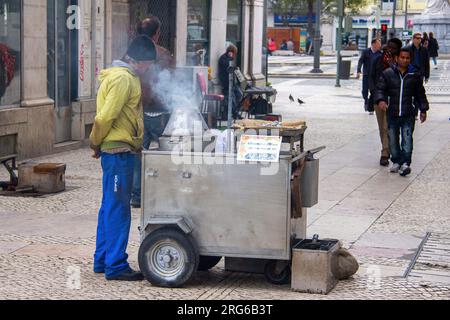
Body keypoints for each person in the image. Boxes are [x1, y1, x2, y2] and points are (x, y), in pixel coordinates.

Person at [90, 35, 156, 281]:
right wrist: (95, 142)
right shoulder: (122, 79)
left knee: (109, 205)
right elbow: (105, 117)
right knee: (118, 208)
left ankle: (102, 258)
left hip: (117, 151)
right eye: (149, 63)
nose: (149, 68)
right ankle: (115, 264)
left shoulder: (121, 76)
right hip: (119, 152)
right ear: (139, 61)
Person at [131, 16, 175, 209]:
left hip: (138, 110)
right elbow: (173, 83)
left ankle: (137, 195)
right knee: (167, 154)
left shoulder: (129, 55)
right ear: (157, 33)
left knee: (136, 154)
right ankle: (166, 194)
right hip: (159, 111)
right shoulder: (164, 54)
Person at [374, 47, 429, 177]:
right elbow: (379, 89)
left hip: (408, 113)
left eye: (407, 58)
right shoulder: (388, 73)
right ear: (397, 58)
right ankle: (396, 161)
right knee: (392, 139)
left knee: (407, 139)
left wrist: (423, 109)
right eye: (402, 57)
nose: (405, 60)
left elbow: (420, 94)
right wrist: (381, 100)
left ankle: (406, 163)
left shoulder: (414, 75)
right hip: (392, 113)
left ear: (410, 59)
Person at [369, 38, 403, 167]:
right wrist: (374, 93)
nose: (390, 49)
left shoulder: (401, 62)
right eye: (389, 46)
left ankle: (386, 152)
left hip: (394, 99)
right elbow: (371, 77)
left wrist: (393, 66)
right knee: (382, 127)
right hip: (379, 98)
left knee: (388, 126)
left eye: (393, 48)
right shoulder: (378, 59)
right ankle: (386, 150)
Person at [357, 38, 382, 113]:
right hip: (366, 75)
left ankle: (370, 106)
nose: (380, 45)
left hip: (374, 76)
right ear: (373, 44)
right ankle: (366, 101)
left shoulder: (380, 53)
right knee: (364, 91)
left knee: (373, 91)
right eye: (378, 44)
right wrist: (358, 71)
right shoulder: (366, 52)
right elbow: (361, 61)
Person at [218, 44, 242, 120]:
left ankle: (235, 111)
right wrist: (229, 58)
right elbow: (227, 67)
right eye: (230, 52)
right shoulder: (223, 58)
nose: (232, 54)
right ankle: (234, 113)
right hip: (226, 83)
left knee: (239, 95)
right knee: (232, 99)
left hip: (233, 83)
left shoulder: (231, 59)